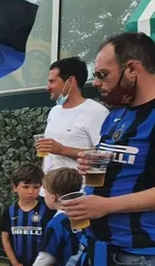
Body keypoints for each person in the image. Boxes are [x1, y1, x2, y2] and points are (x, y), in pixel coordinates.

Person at [29, 32, 155, 266]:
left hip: (137, 257)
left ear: (133, 69)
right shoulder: (116, 117)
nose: (95, 82)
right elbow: (110, 169)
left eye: (102, 74)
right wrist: (86, 163)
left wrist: (107, 205)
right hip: (91, 249)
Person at [35, 57, 109, 194]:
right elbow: (49, 157)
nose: (48, 87)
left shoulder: (97, 112)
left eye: (52, 81)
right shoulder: (54, 111)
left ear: (71, 81)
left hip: (78, 193)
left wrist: (62, 150)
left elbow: (103, 155)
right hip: (47, 193)